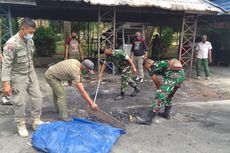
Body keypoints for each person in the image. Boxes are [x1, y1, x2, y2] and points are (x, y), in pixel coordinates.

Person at [2, 17, 44, 137]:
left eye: (33, 33)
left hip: (31, 74)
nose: (32, 35)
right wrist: (6, 84)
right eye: (30, 32)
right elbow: (6, 65)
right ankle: (20, 123)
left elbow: (30, 58)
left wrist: (32, 73)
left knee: (38, 97)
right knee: (20, 102)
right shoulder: (11, 44)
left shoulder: (30, 41)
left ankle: (36, 121)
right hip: (18, 76)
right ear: (22, 29)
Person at [136, 58, 186, 125]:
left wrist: (160, 93)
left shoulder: (153, 66)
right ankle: (166, 114)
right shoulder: (162, 62)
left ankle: (148, 119)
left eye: (145, 67)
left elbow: (156, 82)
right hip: (181, 76)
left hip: (173, 77)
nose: (146, 69)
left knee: (160, 95)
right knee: (168, 95)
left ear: (148, 63)